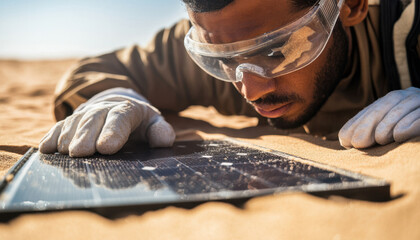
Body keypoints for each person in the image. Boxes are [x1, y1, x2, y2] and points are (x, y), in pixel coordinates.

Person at [39, 0, 420, 157]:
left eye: (275, 51)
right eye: (220, 58)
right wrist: (112, 98)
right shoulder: (223, 34)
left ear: (349, 6)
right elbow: (88, 74)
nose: (250, 90)